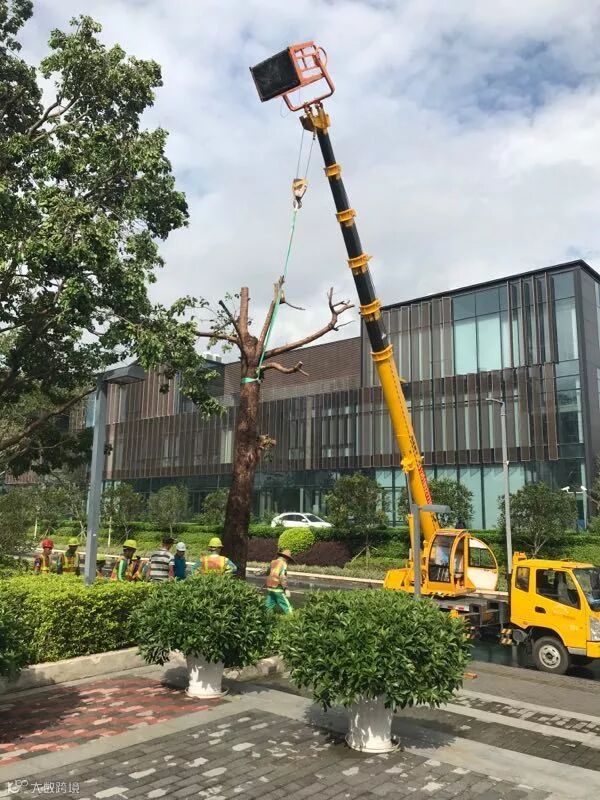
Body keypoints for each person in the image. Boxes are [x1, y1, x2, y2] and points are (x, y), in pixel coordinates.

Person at [265, 548, 294, 614]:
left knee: (268, 605)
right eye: (288, 559)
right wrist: (286, 589)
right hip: (278, 588)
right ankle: (292, 617)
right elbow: (282, 577)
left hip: (270, 587)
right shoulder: (283, 564)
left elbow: (267, 573)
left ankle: (267, 616)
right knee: (286, 605)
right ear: (286, 558)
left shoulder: (272, 562)